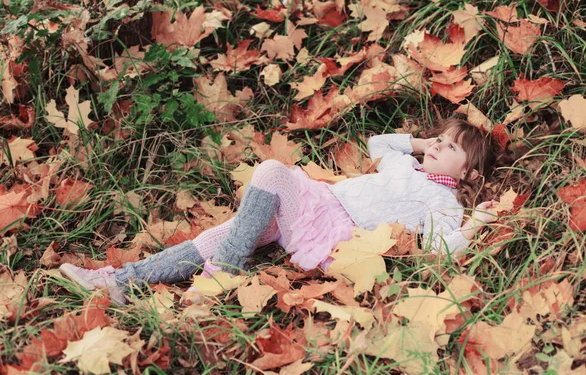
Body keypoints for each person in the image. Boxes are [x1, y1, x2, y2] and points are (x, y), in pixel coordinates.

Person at [59, 118, 500, 304]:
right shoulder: (404, 160)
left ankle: (225, 271)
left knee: (270, 172)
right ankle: (118, 281)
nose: (439, 145)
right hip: (316, 206)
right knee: (228, 231)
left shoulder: (441, 201)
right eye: (440, 138)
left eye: (452, 147)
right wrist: (422, 143)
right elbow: (377, 144)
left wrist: (476, 222)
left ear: (470, 175)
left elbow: (444, 247)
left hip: (336, 232)